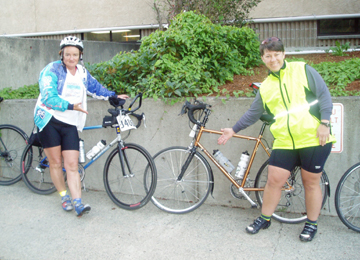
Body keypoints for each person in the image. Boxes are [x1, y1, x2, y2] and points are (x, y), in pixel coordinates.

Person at [217, 37, 335, 242]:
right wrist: (233, 129)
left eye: (276, 54)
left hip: (313, 137)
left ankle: (311, 223)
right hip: (285, 141)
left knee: (311, 182)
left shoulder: (302, 69)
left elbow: (324, 96)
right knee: (273, 180)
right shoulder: (265, 87)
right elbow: (253, 113)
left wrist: (325, 123)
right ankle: (265, 218)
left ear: (284, 54)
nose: (273, 59)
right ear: (263, 59)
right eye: (268, 56)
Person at [34, 36, 128, 217]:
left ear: (80, 56)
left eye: (75, 55)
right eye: (67, 54)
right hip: (49, 119)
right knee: (55, 162)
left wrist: (113, 96)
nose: (71, 58)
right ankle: (63, 196)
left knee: (72, 164)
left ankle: (78, 202)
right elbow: (48, 96)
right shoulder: (51, 70)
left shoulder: (82, 73)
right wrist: (70, 106)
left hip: (70, 123)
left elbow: (95, 88)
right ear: (61, 54)